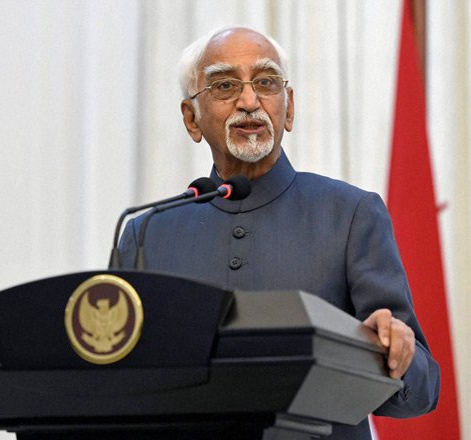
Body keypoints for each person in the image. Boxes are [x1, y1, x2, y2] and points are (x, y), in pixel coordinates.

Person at [118, 26, 439, 439]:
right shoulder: (148, 233)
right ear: (191, 118)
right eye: (225, 85)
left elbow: (423, 390)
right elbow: (119, 379)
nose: (249, 101)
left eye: (266, 82)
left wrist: (396, 355)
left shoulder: (350, 215)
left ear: (289, 109)